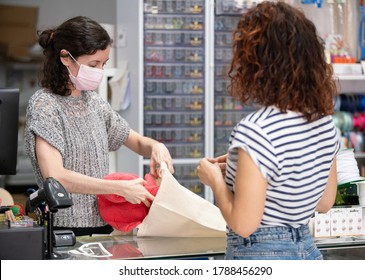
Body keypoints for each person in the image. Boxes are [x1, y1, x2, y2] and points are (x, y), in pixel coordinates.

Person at [197, 1, 339, 260]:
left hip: (261, 256)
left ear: (255, 62)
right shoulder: (325, 123)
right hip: (306, 252)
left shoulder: (256, 130)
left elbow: (243, 224)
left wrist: (215, 180)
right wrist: (246, 171)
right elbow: (324, 202)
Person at [24, 16, 174, 236]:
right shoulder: (45, 105)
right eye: (93, 64)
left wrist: (157, 147)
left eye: (103, 64)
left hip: (103, 225)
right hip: (64, 229)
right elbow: (55, 176)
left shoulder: (94, 102)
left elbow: (137, 142)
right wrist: (119, 188)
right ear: (66, 58)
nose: (100, 71)